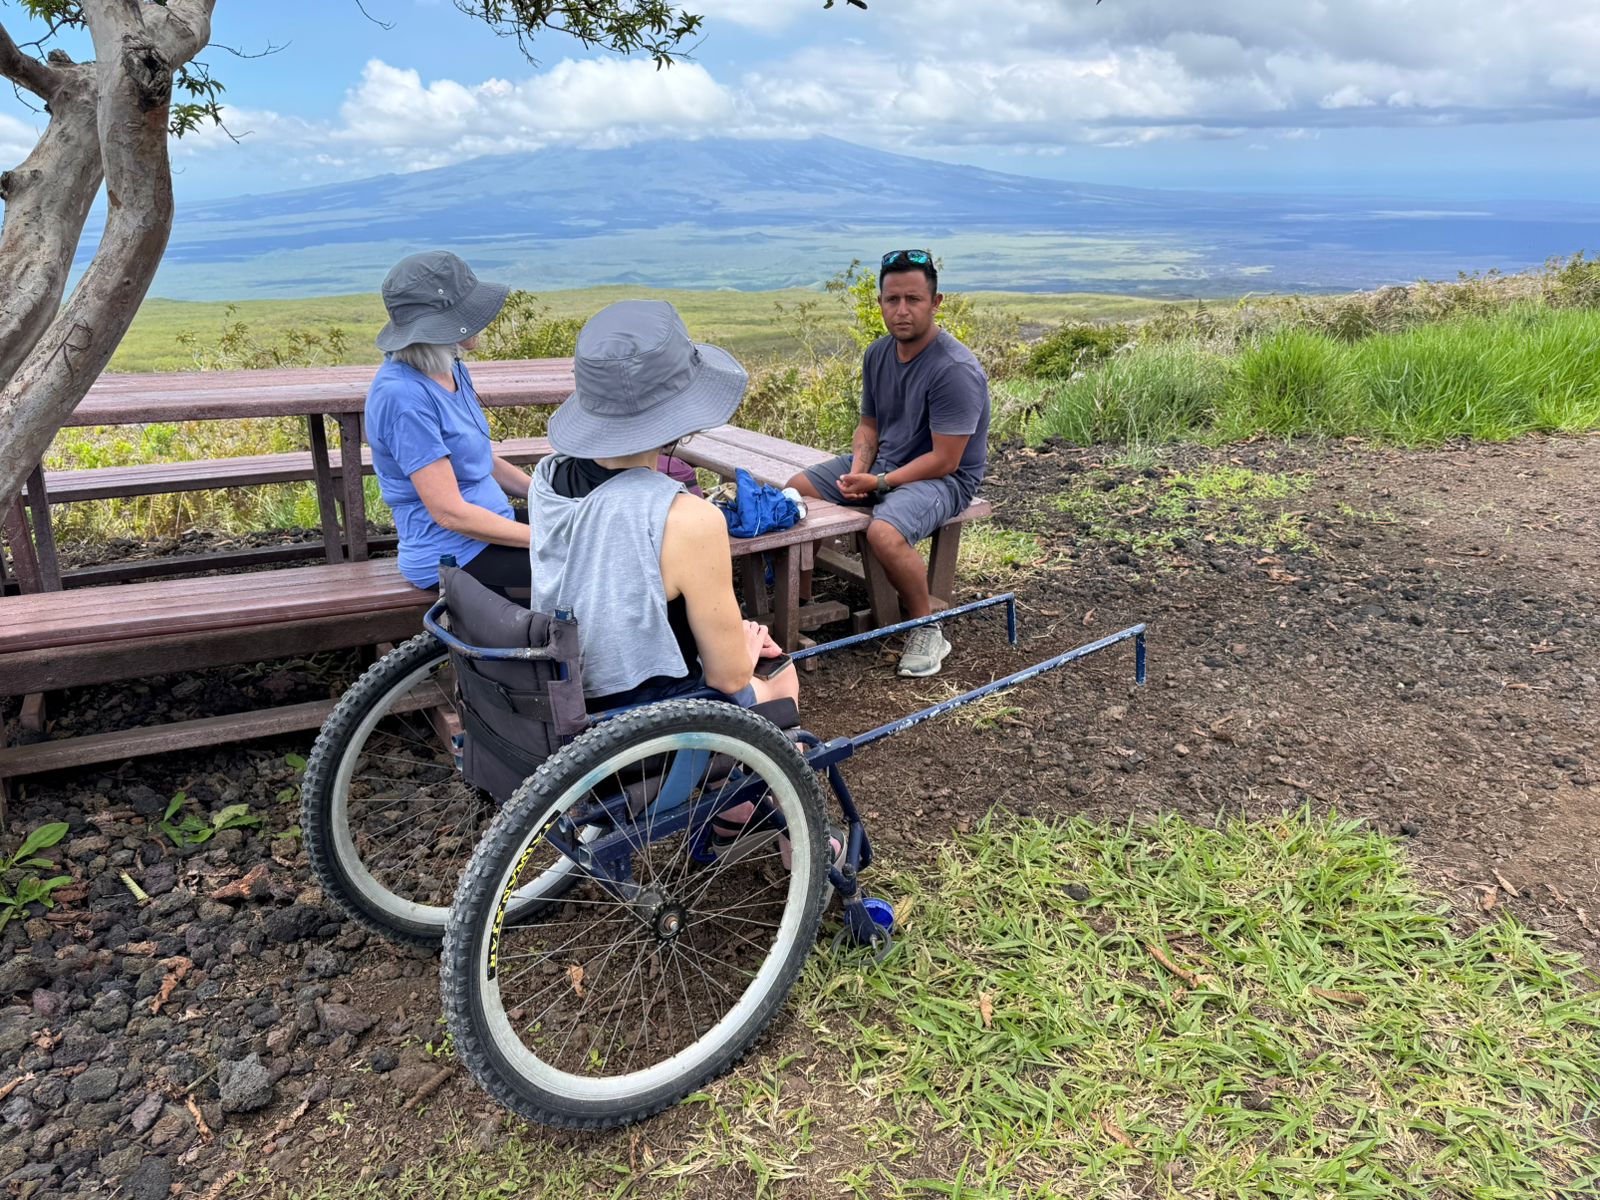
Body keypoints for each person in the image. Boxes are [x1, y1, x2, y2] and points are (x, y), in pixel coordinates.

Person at [530, 299, 800, 716]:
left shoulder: (547, 480)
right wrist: (744, 645)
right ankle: (774, 775)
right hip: (651, 717)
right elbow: (728, 678)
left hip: (566, 698)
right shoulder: (687, 519)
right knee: (782, 677)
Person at [788, 249, 990, 677]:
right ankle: (798, 605)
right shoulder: (878, 354)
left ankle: (926, 626)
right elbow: (868, 427)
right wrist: (859, 470)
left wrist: (878, 481)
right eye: (892, 299)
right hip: (887, 461)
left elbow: (946, 458)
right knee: (796, 489)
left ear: (935, 303)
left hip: (946, 480)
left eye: (913, 300)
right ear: (879, 302)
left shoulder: (953, 369)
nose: (901, 311)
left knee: (884, 532)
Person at [365, 250, 533, 597]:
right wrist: (547, 540)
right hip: (451, 556)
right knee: (598, 568)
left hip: (489, 527)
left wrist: (547, 498)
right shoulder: (403, 397)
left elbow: (480, 461)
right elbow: (449, 513)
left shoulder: (450, 367)